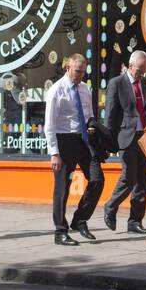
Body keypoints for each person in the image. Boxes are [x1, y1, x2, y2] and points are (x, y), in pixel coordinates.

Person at [45, 53, 104, 245]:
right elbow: (49, 125)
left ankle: (79, 219)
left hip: (84, 140)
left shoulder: (85, 89)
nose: (80, 75)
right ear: (67, 68)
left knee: (97, 180)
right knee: (62, 188)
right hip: (64, 141)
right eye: (77, 71)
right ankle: (60, 231)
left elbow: (89, 113)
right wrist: (54, 153)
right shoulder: (56, 90)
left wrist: (92, 126)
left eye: (83, 71)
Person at [102, 50, 146, 235]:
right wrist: (108, 142)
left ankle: (135, 221)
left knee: (143, 180)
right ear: (130, 66)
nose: (141, 74)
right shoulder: (116, 83)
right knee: (129, 176)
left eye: (144, 71)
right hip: (126, 137)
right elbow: (109, 114)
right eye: (139, 70)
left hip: (145, 137)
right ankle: (111, 205)